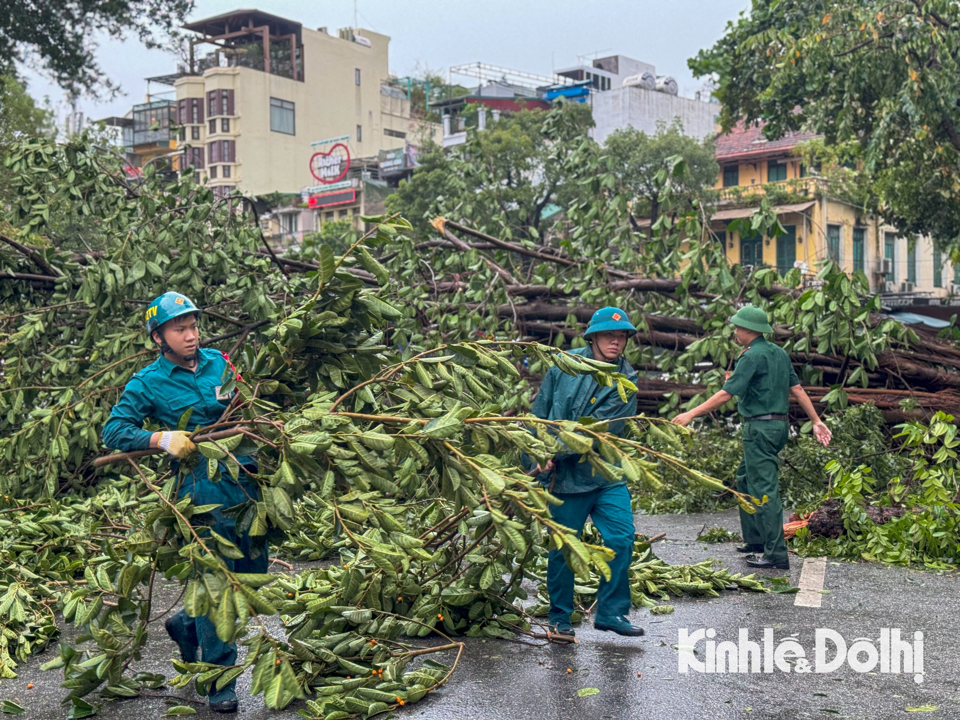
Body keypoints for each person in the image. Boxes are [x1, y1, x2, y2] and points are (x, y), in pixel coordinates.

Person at [102, 291, 265, 714]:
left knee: (250, 574)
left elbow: (247, 404)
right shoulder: (148, 382)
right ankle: (219, 680)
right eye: (180, 329)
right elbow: (114, 430)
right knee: (215, 585)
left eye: (193, 326)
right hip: (200, 495)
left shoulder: (219, 362)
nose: (191, 335)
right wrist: (159, 438)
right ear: (159, 337)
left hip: (246, 483)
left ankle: (185, 625)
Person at [672, 304, 831, 570]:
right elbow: (798, 389)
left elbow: (725, 395)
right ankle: (756, 540)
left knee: (764, 491)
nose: (735, 332)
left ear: (749, 330)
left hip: (759, 429)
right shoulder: (778, 353)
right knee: (744, 479)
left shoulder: (751, 356)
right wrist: (816, 421)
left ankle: (776, 554)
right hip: (777, 427)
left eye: (737, 327)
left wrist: (691, 414)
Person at [527, 306, 645, 641]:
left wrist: (553, 452)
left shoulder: (627, 380)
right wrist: (534, 454)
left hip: (606, 474)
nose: (616, 342)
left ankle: (610, 612)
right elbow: (540, 413)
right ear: (592, 337)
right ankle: (560, 619)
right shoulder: (563, 366)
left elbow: (598, 431)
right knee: (565, 547)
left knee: (621, 538)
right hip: (565, 480)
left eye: (622, 337)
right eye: (610, 335)